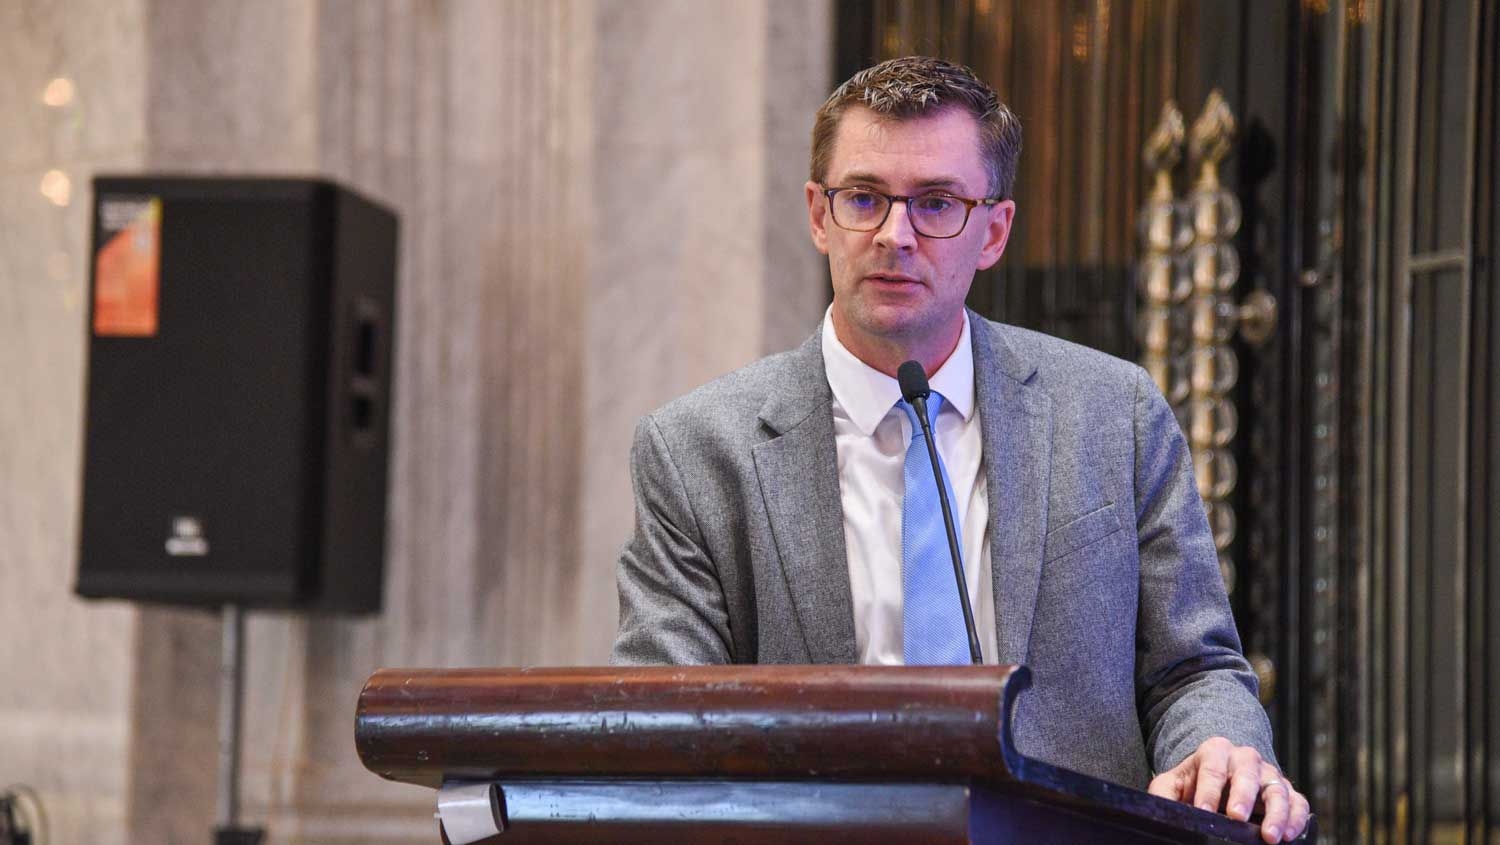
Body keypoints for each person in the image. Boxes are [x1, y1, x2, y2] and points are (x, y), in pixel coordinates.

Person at [610, 56, 1310, 843]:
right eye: (864, 198)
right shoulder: (698, 450)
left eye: (937, 203)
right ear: (818, 214)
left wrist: (1222, 748)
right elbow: (663, 722)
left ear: (995, 231)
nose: (894, 235)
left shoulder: (1114, 414)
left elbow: (1194, 670)